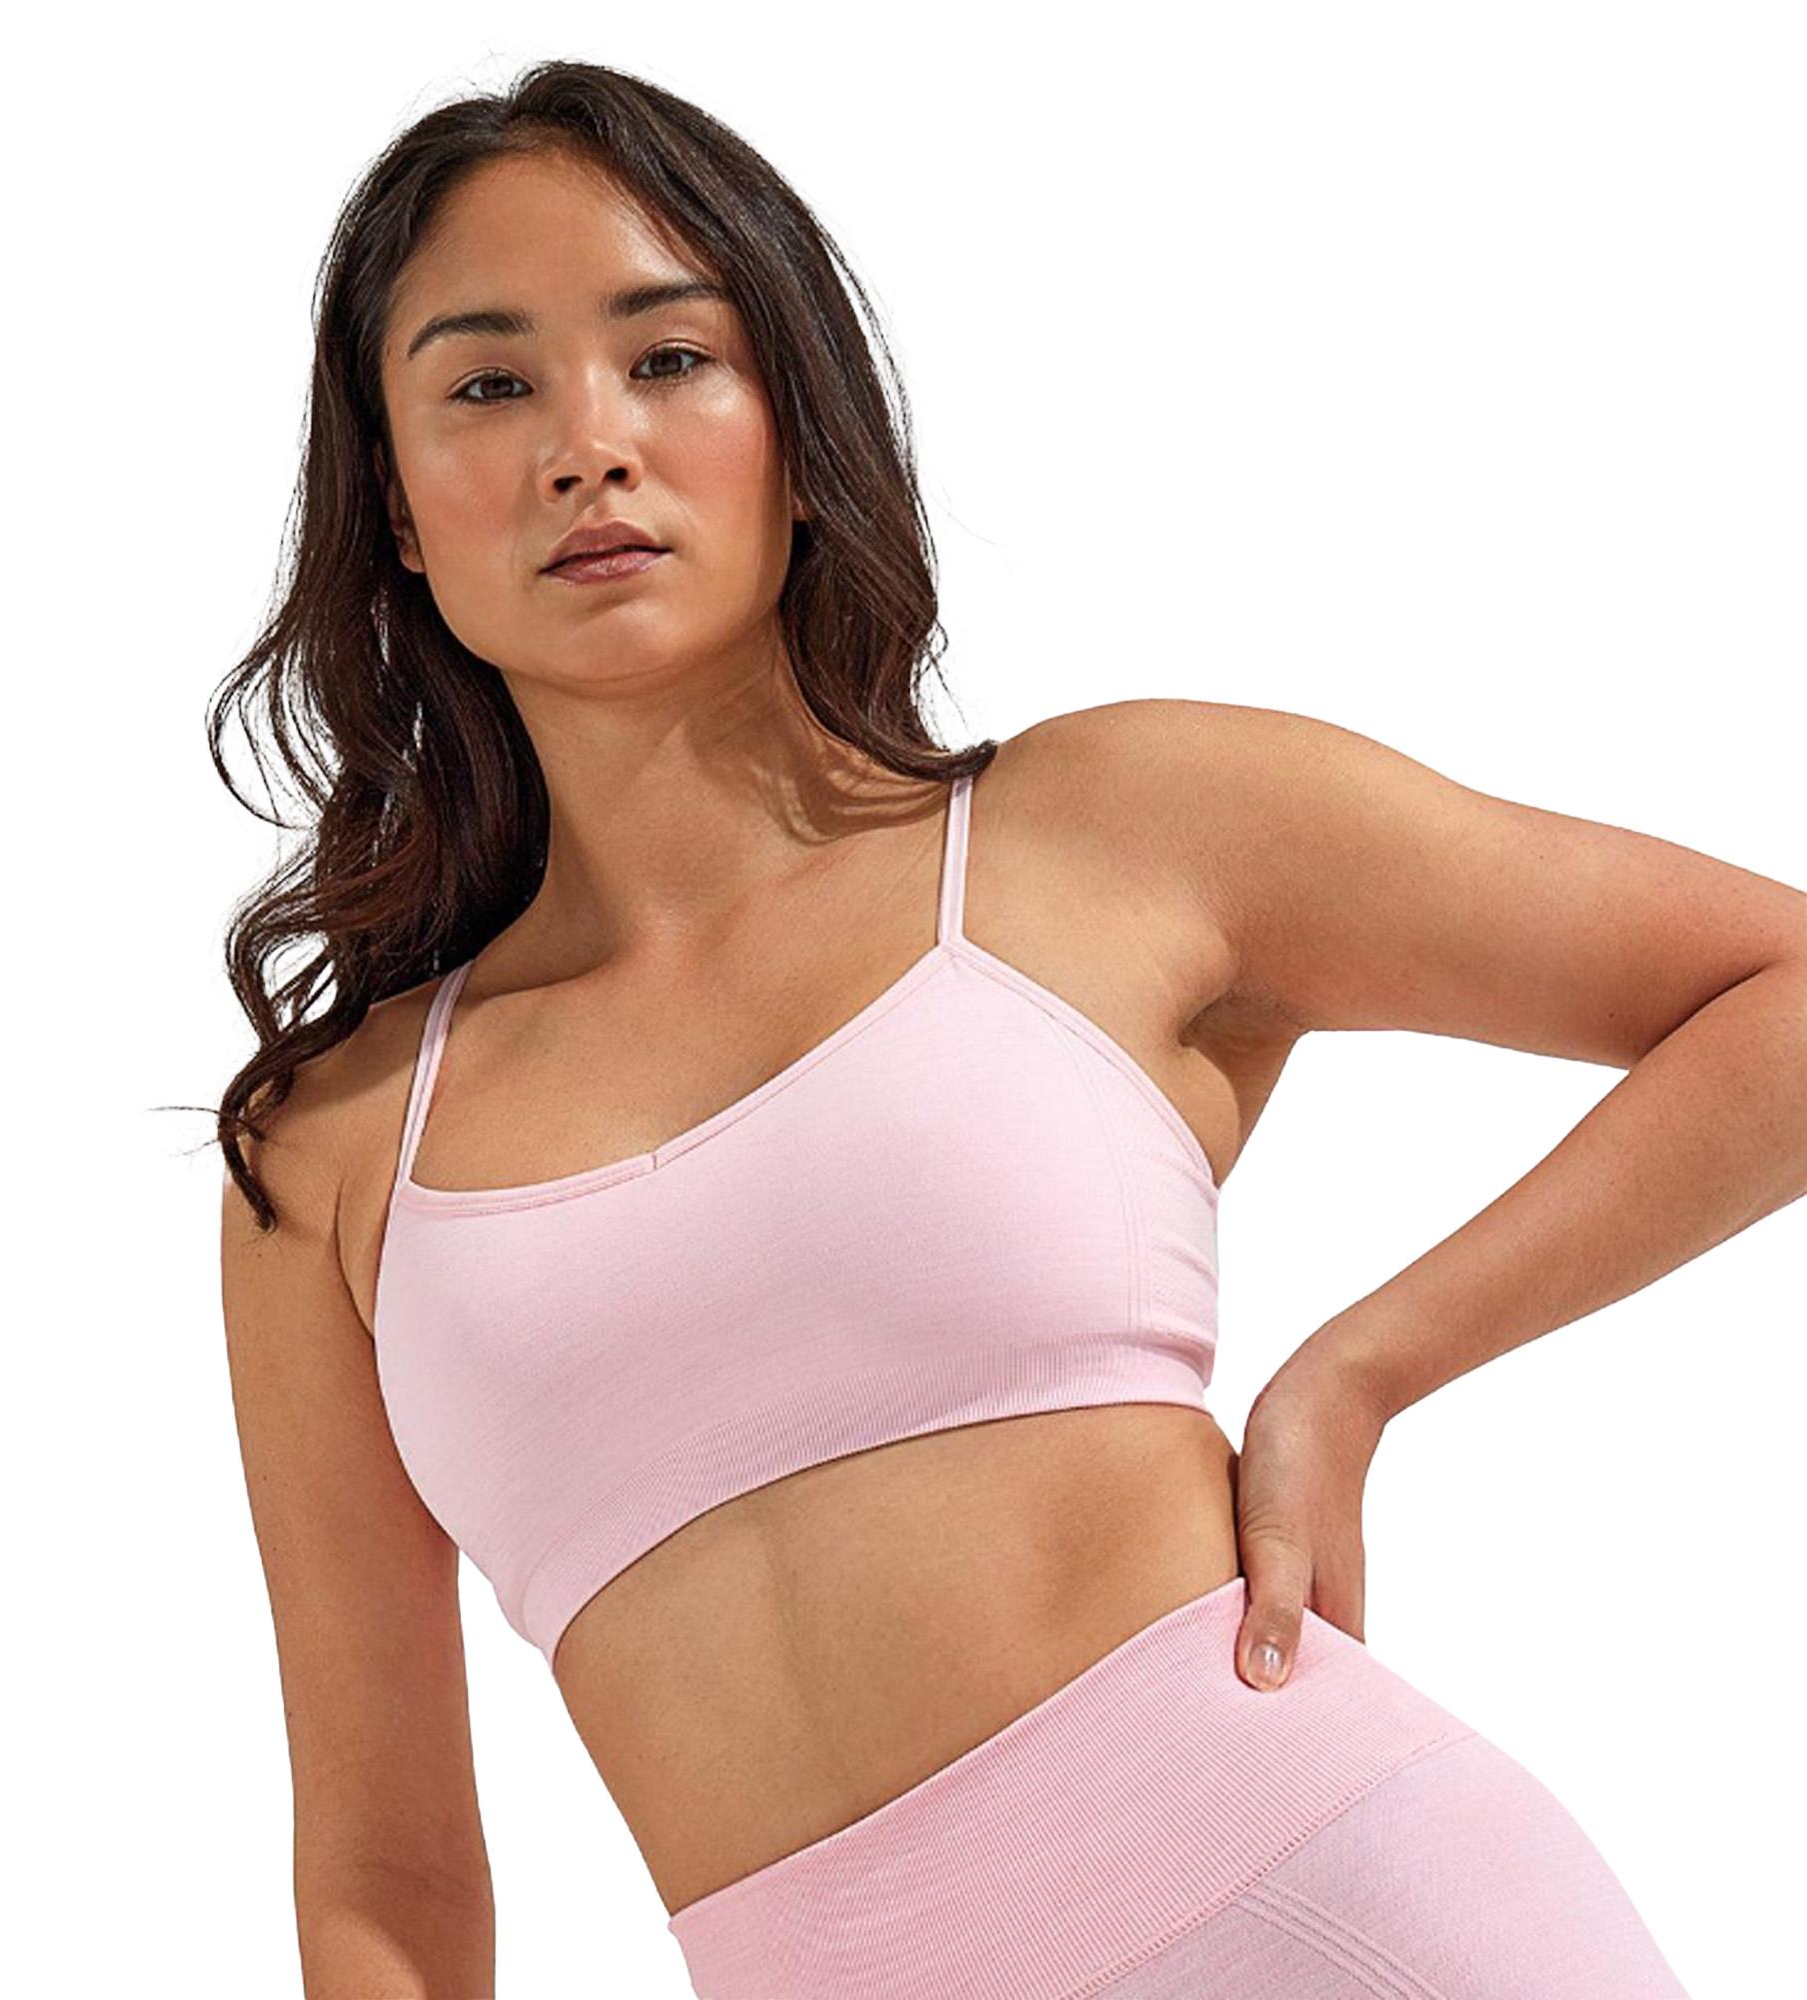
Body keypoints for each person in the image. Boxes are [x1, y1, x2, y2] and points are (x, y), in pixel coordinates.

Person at [213, 59, 1799, 1998]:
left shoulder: (1113, 832)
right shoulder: (335, 1148)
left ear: (800, 432)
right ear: (392, 505)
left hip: (1360, 1921)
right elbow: (383, 1878)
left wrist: (1358, 1375)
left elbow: (1779, 992)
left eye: (671, 359)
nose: (587, 447)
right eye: (487, 386)